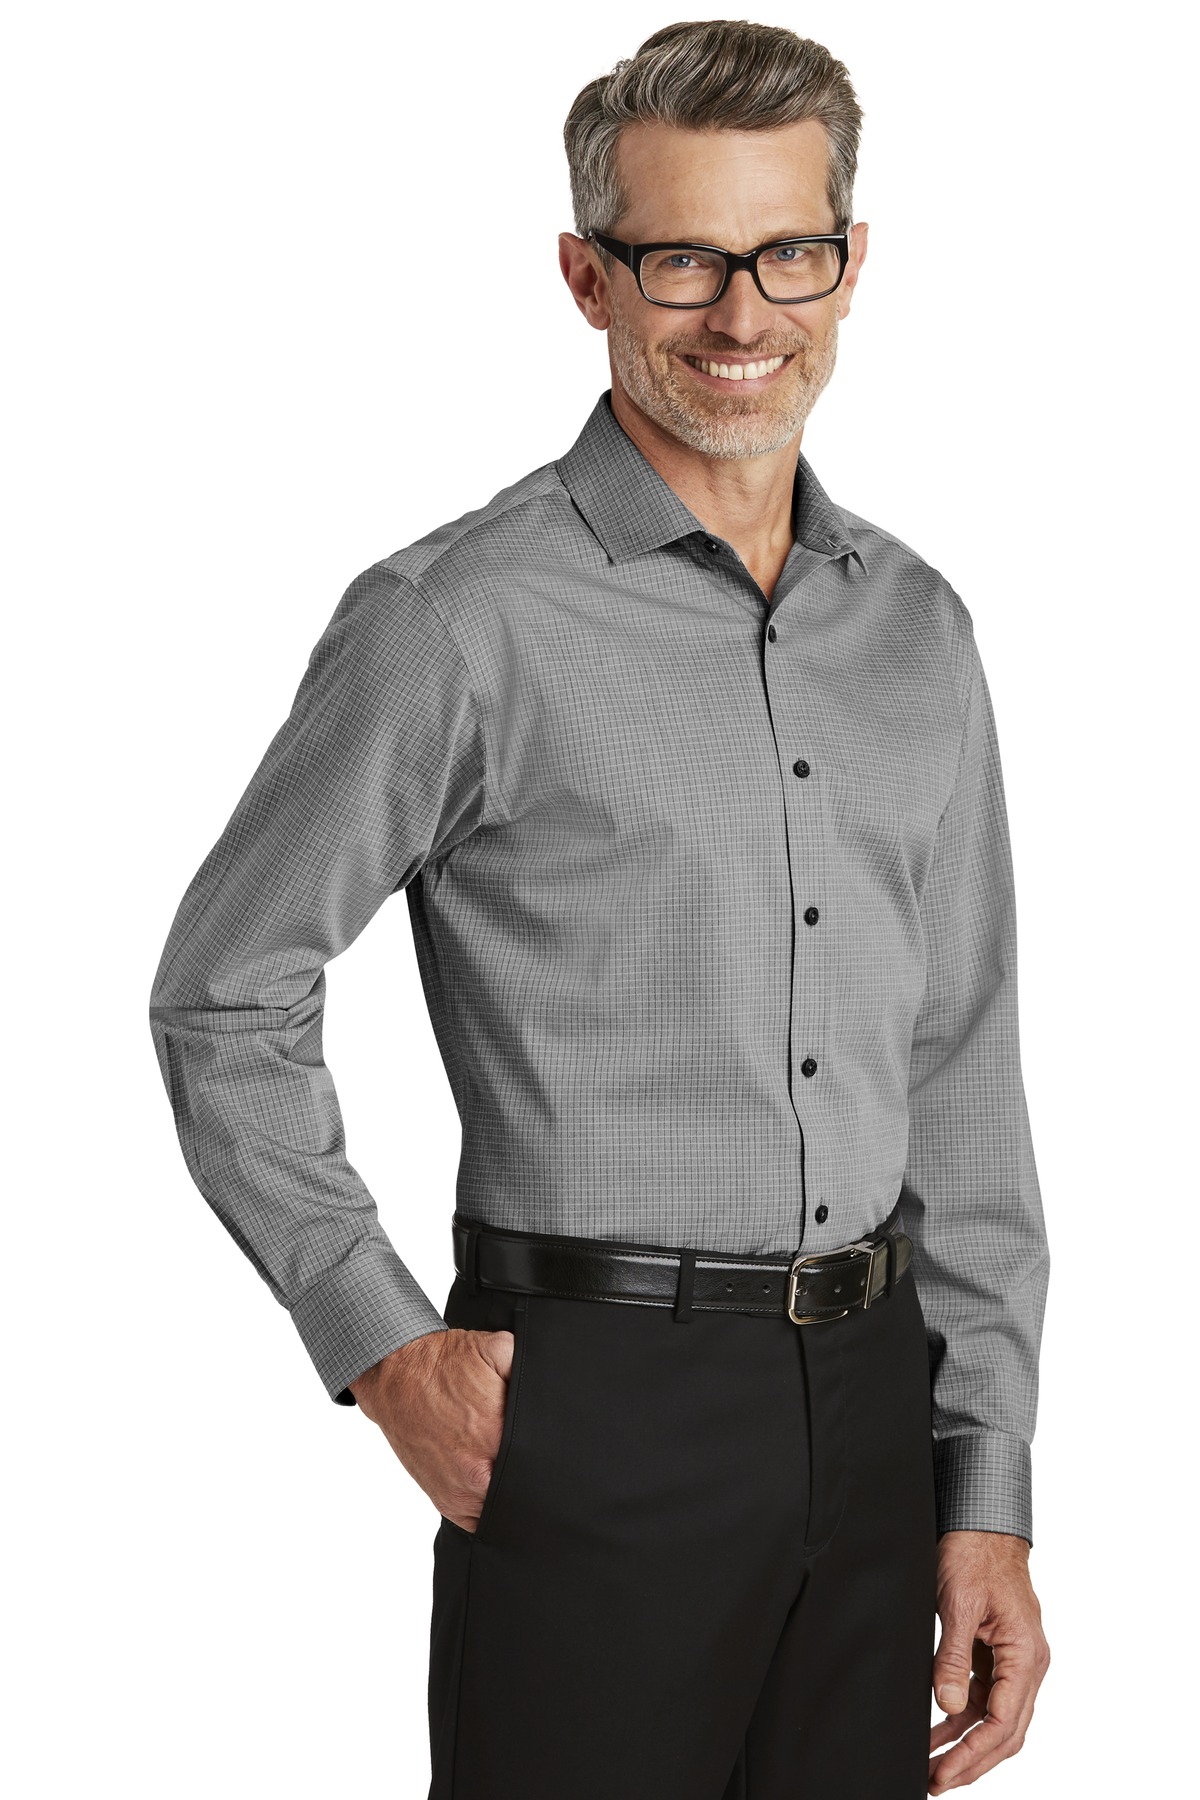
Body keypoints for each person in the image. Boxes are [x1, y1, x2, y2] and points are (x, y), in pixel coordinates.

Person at [148, 20, 1051, 1798]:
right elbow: (224, 992)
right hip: (596, 1408)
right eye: (683, 260)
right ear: (588, 278)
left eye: (788, 253)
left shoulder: (920, 632)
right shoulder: (457, 621)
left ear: (853, 262)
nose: (742, 315)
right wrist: (382, 1344)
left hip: (880, 1410)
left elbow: (962, 1069)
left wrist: (988, 1486)